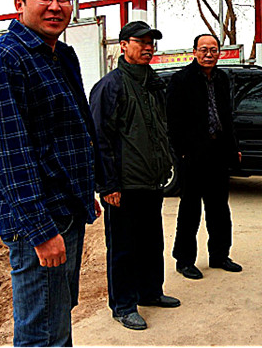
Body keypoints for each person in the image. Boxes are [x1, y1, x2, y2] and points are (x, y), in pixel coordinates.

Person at [0, 0, 101, 346]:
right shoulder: (3, 59)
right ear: (19, 3)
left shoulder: (60, 55)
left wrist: (85, 190)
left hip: (66, 207)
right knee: (40, 331)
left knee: (57, 315)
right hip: (40, 218)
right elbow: (8, 155)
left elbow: (73, 129)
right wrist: (41, 231)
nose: (55, 6)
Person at [90, 21, 180, 331]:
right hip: (124, 185)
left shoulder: (153, 84)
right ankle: (124, 305)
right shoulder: (110, 86)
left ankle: (150, 292)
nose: (147, 47)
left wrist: (165, 163)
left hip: (151, 180)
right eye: (140, 42)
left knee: (151, 242)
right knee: (123, 248)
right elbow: (99, 138)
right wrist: (108, 185)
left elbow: (161, 129)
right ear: (124, 45)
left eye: (151, 42)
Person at [166, 34, 242, 280]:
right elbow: (172, 120)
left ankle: (219, 255)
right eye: (203, 49)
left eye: (213, 49)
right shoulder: (181, 79)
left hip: (218, 151)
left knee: (219, 208)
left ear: (219, 52)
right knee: (190, 209)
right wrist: (181, 151)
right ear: (195, 52)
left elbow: (227, 117)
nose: (208, 54)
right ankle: (184, 260)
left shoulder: (222, 79)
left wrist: (233, 148)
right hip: (192, 154)